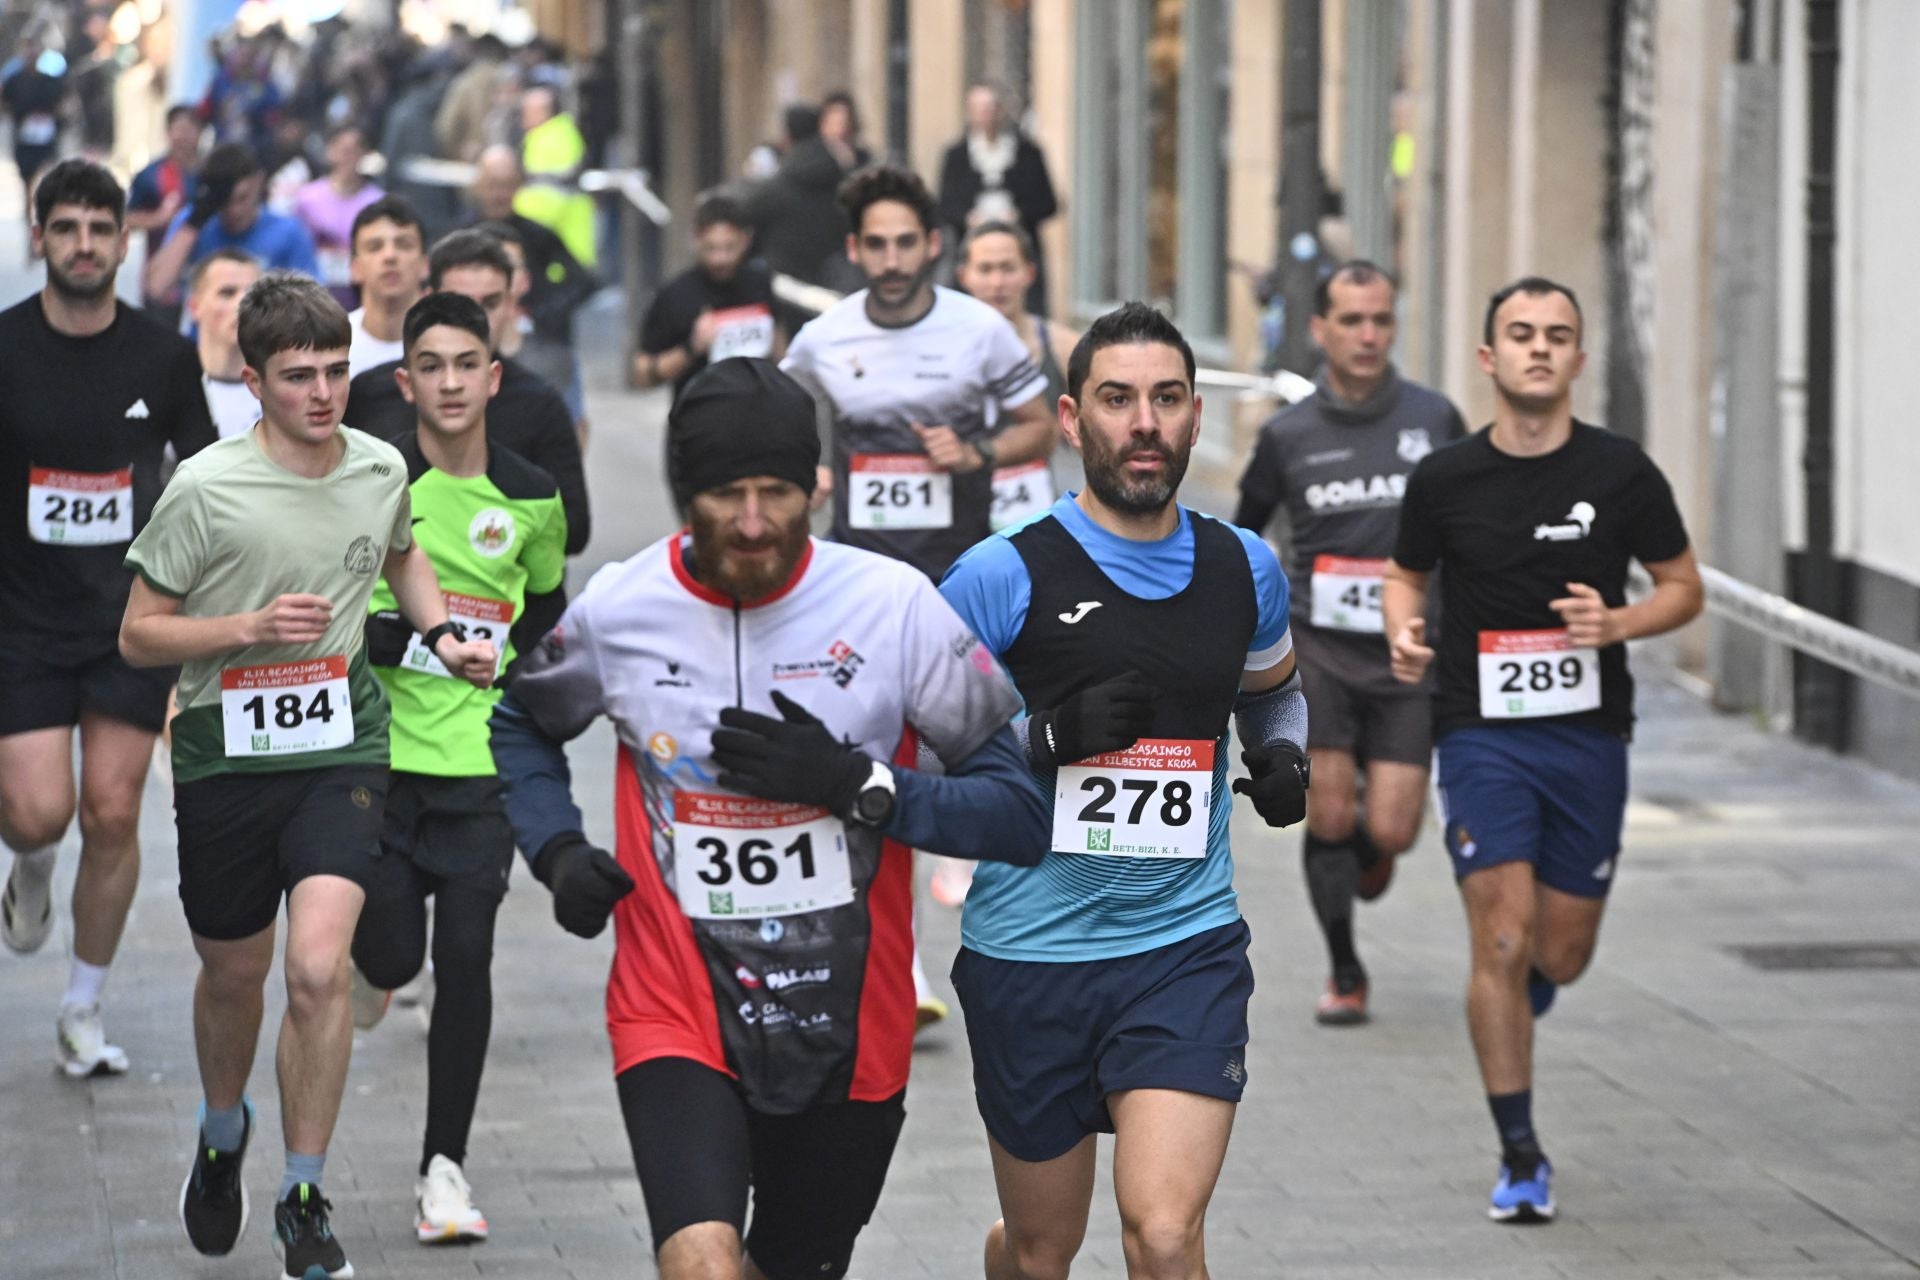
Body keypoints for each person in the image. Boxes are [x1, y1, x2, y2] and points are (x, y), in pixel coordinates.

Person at [488, 356, 1046, 1280]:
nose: (753, 522)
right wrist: (554, 847)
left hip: (851, 1028)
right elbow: (520, 722)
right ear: (683, 494)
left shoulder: (894, 607)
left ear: (815, 488)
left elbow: (1019, 815)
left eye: (778, 493)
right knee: (704, 1266)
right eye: (726, 495)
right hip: (677, 1008)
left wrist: (856, 783)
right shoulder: (624, 608)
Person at [119, 270, 496, 1279]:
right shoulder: (204, 486)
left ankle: (301, 1191)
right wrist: (243, 627)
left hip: (340, 748)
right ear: (254, 382)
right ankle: (219, 1126)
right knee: (235, 976)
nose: (324, 392)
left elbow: (402, 551)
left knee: (320, 967)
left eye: (336, 370)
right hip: (224, 756)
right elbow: (140, 633)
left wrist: (445, 631)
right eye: (299, 376)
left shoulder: (378, 465)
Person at [938, 302, 1309, 1279]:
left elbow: (1276, 700)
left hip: (1181, 948)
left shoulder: (1244, 569)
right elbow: (920, 759)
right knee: (1041, 1247)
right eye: (1117, 399)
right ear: (1071, 420)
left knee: (1162, 1231)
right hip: (1030, 955)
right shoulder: (999, 576)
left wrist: (1284, 757)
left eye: (1167, 398)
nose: (1144, 420)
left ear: (1195, 418)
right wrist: (1042, 739)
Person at [1383, 277, 1703, 1224]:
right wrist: (1405, 633)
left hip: (1588, 737)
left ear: (1577, 358)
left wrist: (1619, 623)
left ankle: (1523, 993)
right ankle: (1520, 1153)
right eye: (1519, 334)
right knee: (1505, 933)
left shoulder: (1621, 473)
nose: (1537, 349)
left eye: (1556, 335)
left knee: (1560, 953)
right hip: (1478, 733)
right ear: (1489, 357)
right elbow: (1407, 577)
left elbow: (1683, 586)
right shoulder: (1444, 478)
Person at [349, 291, 567, 1245]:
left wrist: (506, 670)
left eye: (464, 363)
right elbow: (338, 605)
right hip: (383, 763)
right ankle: (371, 967)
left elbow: (548, 607)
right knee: (391, 955)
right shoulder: (372, 483)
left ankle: (445, 1167)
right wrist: (428, 641)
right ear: (405, 382)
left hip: (482, 763)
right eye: (428, 366)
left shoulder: (533, 496)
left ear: (492, 375)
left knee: (466, 961)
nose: (448, 381)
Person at [0, 160, 216, 1077]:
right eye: (67, 228)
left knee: (116, 810)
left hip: (130, 617)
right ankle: (34, 865)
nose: (84, 245)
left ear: (125, 244)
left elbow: (206, 475)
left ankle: (84, 1006)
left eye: (101, 228)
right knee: (41, 813)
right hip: (21, 617)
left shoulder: (162, 355)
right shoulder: (4, 347)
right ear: (38, 238)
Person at [1233, 260, 1467, 1025]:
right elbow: (1245, 530)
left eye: (1382, 320)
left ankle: (1369, 838)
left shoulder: (1434, 420)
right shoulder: (1289, 434)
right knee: (1326, 813)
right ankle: (1344, 967)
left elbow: (1466, 530)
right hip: (1320, 651)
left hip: (1407, 651)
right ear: (1320, 330)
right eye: (1353, 321)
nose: (1368, 336)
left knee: (1392, 829)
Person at [780, 165, 1056, 584]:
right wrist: (807, 468)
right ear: (854, 248)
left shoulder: (982, 328)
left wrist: (975, 453)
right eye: (877, 245)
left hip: (962, 571)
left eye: (906, 243)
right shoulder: (822, 338)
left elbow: (1041, 429)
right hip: (861, 574)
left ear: (932, 245)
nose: (892, 262)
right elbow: (780, 419)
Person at [348, 229, 589, 564]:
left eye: (491, 302)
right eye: (461, 303)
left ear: (510, 303)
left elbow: (575, 528)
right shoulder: (370, 393)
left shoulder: (540, 404)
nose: (478, 319)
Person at [953, 218, 1079, 536]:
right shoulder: (939, 346)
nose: (997, 282)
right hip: (956, 511)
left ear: (1029, 274)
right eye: (985, 269)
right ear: (963, 276)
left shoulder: (1063, 346)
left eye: (1008, 268)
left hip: (1033, 513)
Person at [635, 193, 782, 406]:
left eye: (729, 247)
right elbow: (642, 375)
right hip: (696, 423)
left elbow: (779, 345)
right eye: (711, 248)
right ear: (696, 239)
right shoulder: (675, 295)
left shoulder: (759, 282)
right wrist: (691, 348)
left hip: (759, 419)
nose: (720, 259)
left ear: (745, 240)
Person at [143, 143, 320, 312]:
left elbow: (312, 303)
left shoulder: (289, 231)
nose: (234, 211)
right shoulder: (194, 223)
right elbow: (156, 287)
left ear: (259, 181)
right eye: (225, 202)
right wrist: (194, 223)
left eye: (242, 198)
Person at [936, 84, 1059, 315]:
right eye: (979, 109)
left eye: (990, 108)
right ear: (969, 112)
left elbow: (1048, 203)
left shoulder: (1028, 153)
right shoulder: (956, 156)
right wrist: (968, 218)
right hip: (973, 245)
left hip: (1020, 244)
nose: (985, 115)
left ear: (1000, 110)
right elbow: (944, 205)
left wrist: (1018, 215)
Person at [127, 104, 205, 328]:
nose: (183, 137)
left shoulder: (209, 173)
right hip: (164, 279)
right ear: (167, 133)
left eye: (189, 129)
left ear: (199, 132)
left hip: (203, 273)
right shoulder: (150, 175)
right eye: (177, 129)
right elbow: (125, 219)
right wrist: (158, 219)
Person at [293, 122, 385, 309]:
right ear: (330, 152)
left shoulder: (378, 201)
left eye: (354, 151)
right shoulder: (307, 197)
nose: (347, 158)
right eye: (342, 150)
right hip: (313, 290)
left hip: (359, 291)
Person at [514, 84, 596, 270]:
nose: (522, 117)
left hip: (560, 260)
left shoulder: (549, 140)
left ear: (543, 112)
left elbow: (545, 196)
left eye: (527, 111)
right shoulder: (556, 134)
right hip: (565, 253)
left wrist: (516, 222)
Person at [345, 195, 428, 376]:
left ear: (425, 265)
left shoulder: (450, 344)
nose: (390, 256)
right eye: (374, 247)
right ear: (354, 268)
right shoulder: (333, 345)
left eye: (404, 245)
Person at [188, 248, 265, 439]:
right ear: (194, 307)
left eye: (253, 295)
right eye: (227, 292)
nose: (243, 303)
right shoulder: (169, 387)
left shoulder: (280, 393)